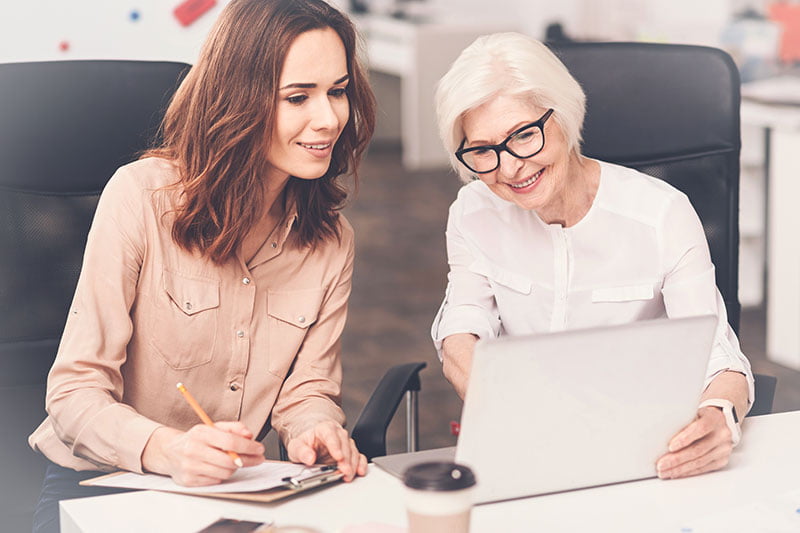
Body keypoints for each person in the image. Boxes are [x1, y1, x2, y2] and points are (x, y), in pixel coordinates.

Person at [28, 0, 375, 530]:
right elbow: (73, 394)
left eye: (337, 90)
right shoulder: (141, 197)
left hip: (231, 493)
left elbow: (307, 390)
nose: (328, 118)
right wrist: (167, 450)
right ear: (241, 100)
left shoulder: (330, 240)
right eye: (298, 97)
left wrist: (314, 428)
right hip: (102, 484)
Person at [431, 33, 754, 480]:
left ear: (562, 115)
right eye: (483, 150)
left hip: (646, 453)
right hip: (528, 452)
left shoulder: (662, 214)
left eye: (524, 135)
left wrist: (720, 418)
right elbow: (462, 327)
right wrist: (489, 391)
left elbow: (720, 358)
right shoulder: (473, 211)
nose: (509, 168)